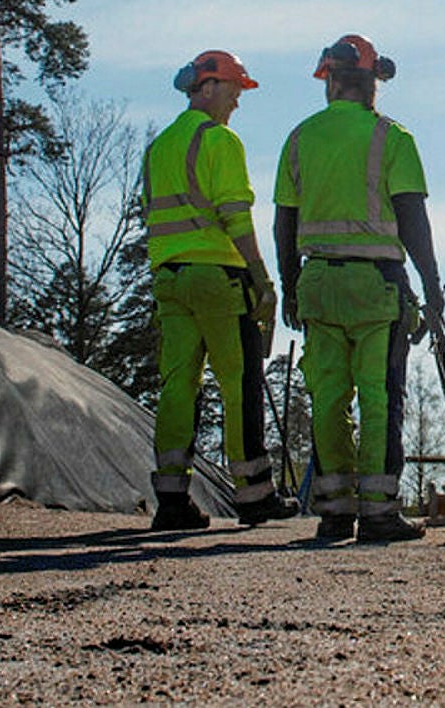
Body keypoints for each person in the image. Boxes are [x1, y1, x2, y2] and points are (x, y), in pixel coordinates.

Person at [275, 33, 445, 543]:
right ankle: (378, 512)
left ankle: (334, 512)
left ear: (329, 81)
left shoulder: (299, 138)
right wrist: (432, 288)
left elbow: (284, 223)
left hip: (318, 283)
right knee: (380, 397)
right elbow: (413, 219)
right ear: (373, 84)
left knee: (328, 396)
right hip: (377, 287)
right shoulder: (392, 138)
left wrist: (290, 286)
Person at [140, 49, 300, 531]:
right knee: (241, 383)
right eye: (233, 90)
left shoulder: (160, 146)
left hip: (169, 277)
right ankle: (254, 495)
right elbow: (235, 214)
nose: (237, 101)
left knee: (178, 385)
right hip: (218, 278)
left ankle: (172, 499)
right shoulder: (218, 139)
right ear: (207, 87)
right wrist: (261, 277)